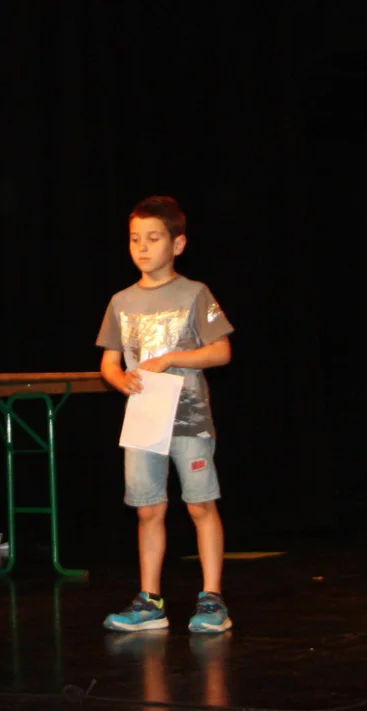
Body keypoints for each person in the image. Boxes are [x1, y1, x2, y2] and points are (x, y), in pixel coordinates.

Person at [95, 195, 234, 634]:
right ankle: (150, 600)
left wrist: (172, 358)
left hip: (189, 419)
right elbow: (108, 362)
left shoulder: (194, 293)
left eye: (153, 238)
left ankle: (212, 598)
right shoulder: (121, 301)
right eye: (135, 238)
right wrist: (120, 380)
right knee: (148, 510)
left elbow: (222, 351)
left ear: (177, 244)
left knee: (200, 504)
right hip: (144, 420)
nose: (142, 247)